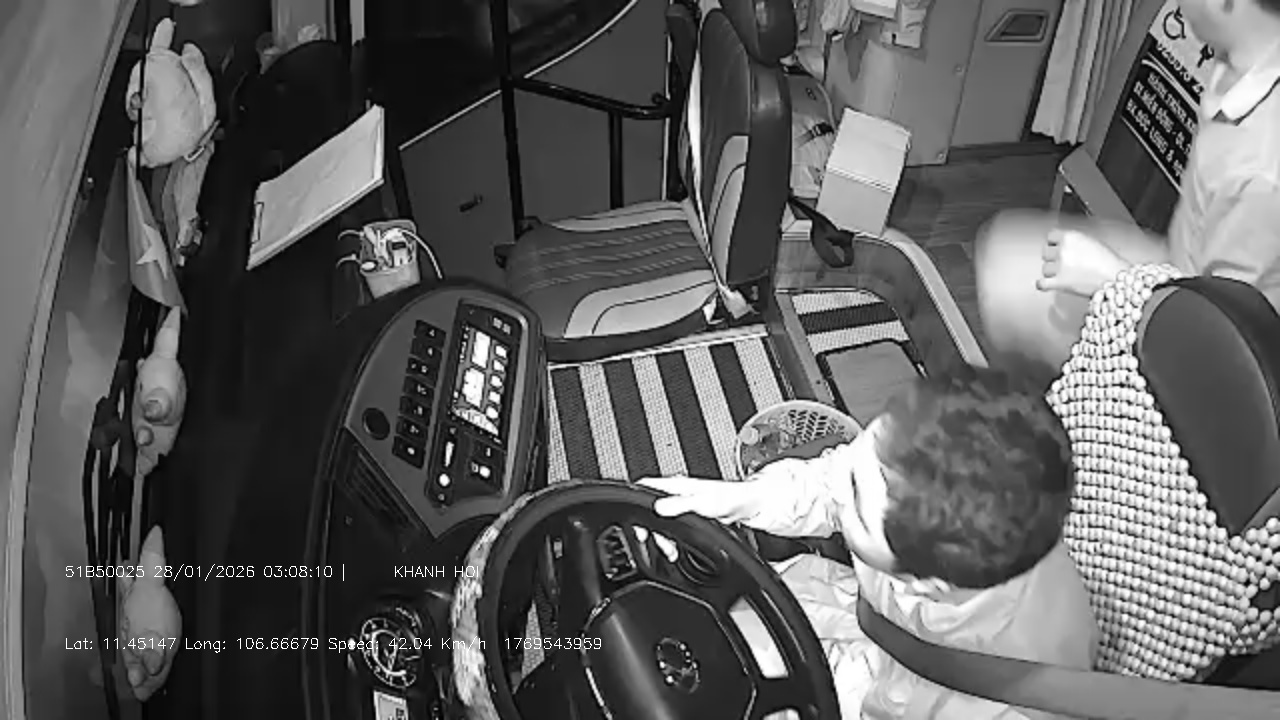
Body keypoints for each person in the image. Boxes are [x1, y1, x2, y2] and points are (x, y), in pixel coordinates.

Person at [640, 369, 1099, 720]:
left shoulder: (1001, 700)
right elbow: (831, 478)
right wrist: (740, 500)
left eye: (855, 497)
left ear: (926, 582)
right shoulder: (943, 525)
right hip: (868, 621)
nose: (834, 479)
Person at [976, 0, 1280, 386]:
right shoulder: (1241, 60)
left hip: (1209, 357)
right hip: (1182, 275)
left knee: (1014, 290)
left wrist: (1113, 279)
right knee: (1006, 257)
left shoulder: (1263, 173)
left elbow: (1224, 349)